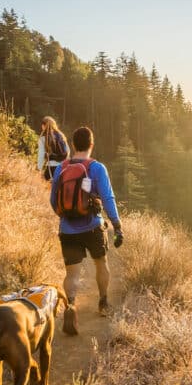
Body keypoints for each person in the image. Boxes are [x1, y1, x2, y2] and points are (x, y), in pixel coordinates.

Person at [50, 126, 123, 335]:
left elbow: (53, 200)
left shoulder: (61, 168)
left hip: (67, 229)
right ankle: (103, 302)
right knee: (101, 263)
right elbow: (108, 198)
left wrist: (66, 216)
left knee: (71, 273)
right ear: (92, 144)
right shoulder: (97, 168)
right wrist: (117, 225)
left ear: (73, 145)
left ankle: (71, 306)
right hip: (92, 227)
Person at [37, 116, 70, 181]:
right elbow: (68, 151)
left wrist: (39, 169)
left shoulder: (43, 138)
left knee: (48, 189)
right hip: (63, 168)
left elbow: (41, 155)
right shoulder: (61, 136)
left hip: (51, 168)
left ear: (43, 126)